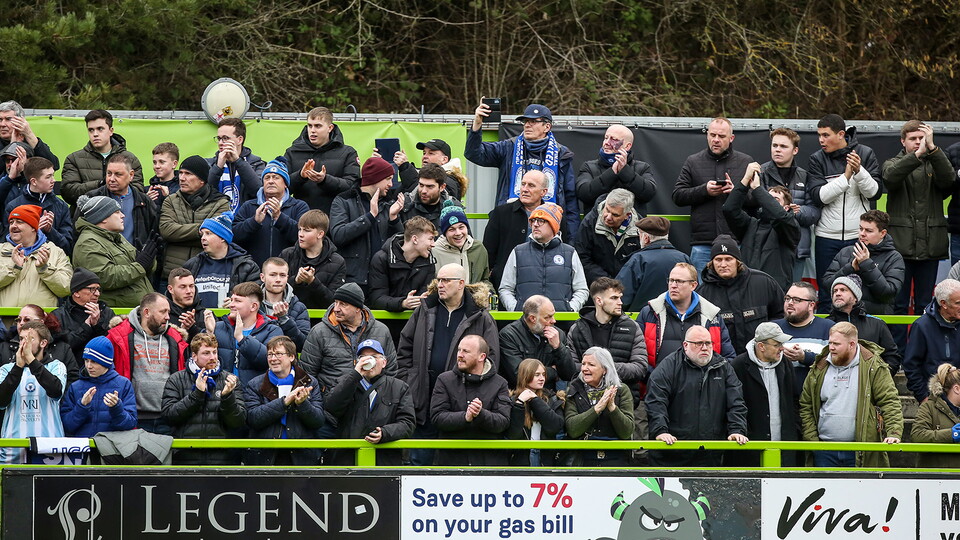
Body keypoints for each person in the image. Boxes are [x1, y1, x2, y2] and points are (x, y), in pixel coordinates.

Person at [396, 264, 498, 465]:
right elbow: (404, 348)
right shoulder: (424, 310)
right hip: (422, 398)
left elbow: (491, 359)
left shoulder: (481, 317)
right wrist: (410, 381)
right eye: (438, 280)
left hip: (459, 404)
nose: (439, 285)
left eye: (445, 280)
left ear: (461, 284)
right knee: (419, 464)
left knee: (453, 467)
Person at [465, 101, 579, 238]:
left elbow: (570, 199)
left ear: (547, 126)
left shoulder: (561, 153)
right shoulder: (509, 147)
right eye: (525, 121)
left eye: (533, 121)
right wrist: (477, 123)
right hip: (512, 221)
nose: (527, 125)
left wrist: (572, 240)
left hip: (548, 223)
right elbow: (474, 153)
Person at [799, 322, 903, 467]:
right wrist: (813, 442)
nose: (831, 348)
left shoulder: (873, 366)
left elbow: (889, 401)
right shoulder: (819, 367)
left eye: (836, 344)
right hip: (824, 450)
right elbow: (806, 405)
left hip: (861, 449)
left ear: (852, 344)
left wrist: (894, 433)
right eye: (830, 343)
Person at [807, 114, 882, 309]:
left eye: (826, 135)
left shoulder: (865, 153)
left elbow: (874, 192)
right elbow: (820, 196)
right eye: (819, 135)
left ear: (841, 134)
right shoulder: (817, 159)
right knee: (827, 292)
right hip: (826, 237)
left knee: (859, 292)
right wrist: (846, 176)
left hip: (858, 236)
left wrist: (860, 171)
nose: (821, 140)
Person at [645, 325, 748, 467]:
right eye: (699, 344)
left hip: (711, 454)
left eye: (708, 343)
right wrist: (660, 431)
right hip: (672, 454)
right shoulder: (667, 367)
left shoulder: (724, 367)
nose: (705, 348)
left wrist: (737, 430)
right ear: (685, 345)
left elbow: (736, 403)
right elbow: (656, 402)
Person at [882, 121, 953, 323]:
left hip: (930, 246)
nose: (918, 142)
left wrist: (933, 150)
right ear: (902, 141)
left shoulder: (937, 163)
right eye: (913, 139)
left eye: (922, 138)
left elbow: (948, 180)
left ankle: (924, 352)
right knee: (898, 304)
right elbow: (890, 178)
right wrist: (916, 156)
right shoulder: (891, 163)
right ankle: (897, 353)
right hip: (899, 247)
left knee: (926, 305)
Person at [671, 117, 753, 274]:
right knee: (702, 292)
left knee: (736, 292)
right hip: (703, 242)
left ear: (731, 138)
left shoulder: (745, 161)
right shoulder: (693, 161)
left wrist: (736, 192)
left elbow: (756, 198)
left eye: (721, 136)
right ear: (707, 135)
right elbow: (678, 196)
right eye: (712, 135)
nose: (716, 140)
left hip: (736, 241)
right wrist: (704, 191)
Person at [324, 338, 416, 466]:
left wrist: (385, 433)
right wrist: (355, 375)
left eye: (374, 357)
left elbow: (407, 423)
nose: (368, 361)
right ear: (356, 361)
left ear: (384, 362)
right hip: (348, 459)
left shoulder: (399, 387)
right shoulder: (345, 382)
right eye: (363, 357)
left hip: (384, 459)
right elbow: (331, 407)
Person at [106, 292, 189, 435]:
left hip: (167, 419)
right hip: (132, 417)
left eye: (168, 312)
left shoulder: (175, 339)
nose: (168, 317)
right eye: (163, 312)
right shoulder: (118, 335)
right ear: (146, 312)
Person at [161, 333, 245, 465]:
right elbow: (169, 416)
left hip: (222, 457)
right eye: (206, 353)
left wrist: (227, 397)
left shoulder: (229, 380)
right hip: (185, 456)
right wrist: (197, 395)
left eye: (214, 352)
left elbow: (238, 421)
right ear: (194, 355)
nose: (212, 357)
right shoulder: (176, 379)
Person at [300, 282, 398, 395]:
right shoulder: (319, 332)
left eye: (343, 304)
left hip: (371, 401)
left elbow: (391, 371)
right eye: (335, 302)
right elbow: (307, 375)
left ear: (358, 308)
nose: (336, 309)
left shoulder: (381, 330)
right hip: (331, 402)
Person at [430, 334, 511, 466]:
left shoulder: (500, 383)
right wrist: (465, 417)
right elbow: (437, 417)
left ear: (482, 357)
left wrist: (481, 414)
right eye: (459, 350)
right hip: (451, 462)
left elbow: (503, 422)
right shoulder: (444, 380)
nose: (459, 355)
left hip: (489, 464)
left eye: (466, 351)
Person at [244, 335, 325, 465]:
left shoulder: (309, 382)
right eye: (270, 355)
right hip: (265, 454)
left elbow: (318, 421)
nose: (273, 359)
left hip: (301, 455)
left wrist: (302, 404)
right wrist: (284, 403)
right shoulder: (255, 384)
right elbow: (253, 419)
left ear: (292, 357)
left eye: (278, 354)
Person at [637, 262, 736, 370]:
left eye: (679, 281)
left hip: (701, 385)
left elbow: (728, 358)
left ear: (693, 285)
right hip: (658, 384)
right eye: (671, 280)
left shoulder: (712, 316)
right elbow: (637, 356)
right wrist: (654, 378)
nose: (673, 285)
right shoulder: (649, 313)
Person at [697, 235, 785, 353]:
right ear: (711, 263)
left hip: (761, 359)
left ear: (737, 261)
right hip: (723, 363)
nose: (723, 264)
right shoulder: (702, 294)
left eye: (728, 259)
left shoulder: (764, 283)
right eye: (718, 259)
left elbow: (781, 316)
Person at [722, 161, 800, 291]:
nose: (767, 201)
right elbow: (729, 210)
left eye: (774, 200)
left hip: (773, 293)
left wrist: (758, 189)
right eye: (767, 198)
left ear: (786, 208)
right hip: (745, 290)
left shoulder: (790, 227)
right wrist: (745, 180)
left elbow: (780, 217)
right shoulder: (750, 224)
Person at [483, 170, 569, 288]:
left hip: (547, 283)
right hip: (507, 284)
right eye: (523, 184)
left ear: (544, 192)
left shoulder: (557, 218)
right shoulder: (501, 213)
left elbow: (564, 249)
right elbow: (488, 251)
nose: (524, 189)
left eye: (531, 185)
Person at [729, 322, 799, 466]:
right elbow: (732, 405)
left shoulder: (786, 364)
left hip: (784, 448)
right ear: (761, 346)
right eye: (776, 344)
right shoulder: (738, 366)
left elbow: (794, 401)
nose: (781, 348)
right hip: (749, 450)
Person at [329, 156, 403, 290]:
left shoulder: (389, 204)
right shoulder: (343, 200)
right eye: (388, 179)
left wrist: (394, 219)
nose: (391, 184)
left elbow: (400, 245)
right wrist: (370, 217)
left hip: (382, 281)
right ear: (375, 178)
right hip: (353, 280)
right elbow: (338, 235)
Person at [567, 278, 648, 400]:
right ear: (599, 300)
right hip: (584, 402)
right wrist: (597, 369)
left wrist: (604, 368)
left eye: (620, 297)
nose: (620, 302)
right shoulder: (577, 329)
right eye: (614, 298)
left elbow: (640, 367)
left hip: (622, 401)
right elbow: (570, 368)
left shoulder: (632, 327)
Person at [499, 202, 589, 312]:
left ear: (553, 225)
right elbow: (505, 288)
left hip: (561, 323)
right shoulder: (518, 251)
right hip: (526, 324)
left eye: (541, 221)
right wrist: (515, 309)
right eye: (533, 220)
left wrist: (570, 309)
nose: (535, 224)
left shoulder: (570, 253)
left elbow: (581, 289)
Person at [0, 321, 67, 463]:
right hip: (13, 450)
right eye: (22, 339)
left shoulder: (57, 366)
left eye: (30, 339)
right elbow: (1, 400)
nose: (24, 344)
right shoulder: (7, 369)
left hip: (49, 449)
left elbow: (55, 391)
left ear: (43, 343)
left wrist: (31, 360)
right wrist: (18, 367)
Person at [73, 195, 156, 307]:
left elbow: (140, 266)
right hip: (116, 314)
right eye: (117, 212)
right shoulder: (88, 243)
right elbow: (104, 277)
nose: (123, 216)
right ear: (103, 217)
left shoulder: (116, 237)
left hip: (137, 309)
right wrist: (140, 266)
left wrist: (149, 261)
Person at [759, 127, 819, 281]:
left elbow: (814, 212)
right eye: (775, 145)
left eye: (783, 146)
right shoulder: (760, 173)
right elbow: (755, 210)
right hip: (766, 247)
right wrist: (780, 212)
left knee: (793, 297)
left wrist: (796, 212)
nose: (777, 150)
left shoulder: (805, 176)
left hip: (796, 248)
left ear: (795, 150)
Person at [159, 154, 231, 278]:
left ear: (202, 179)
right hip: (172, 275)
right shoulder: (171, 200)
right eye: (180, 173)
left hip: (206, 274)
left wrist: (180, 236)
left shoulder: (220, 203)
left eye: (188, 174)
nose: (181, 178)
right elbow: (166, 231)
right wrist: (203, 228)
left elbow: (217, 236)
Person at [822, 210, 904, 315]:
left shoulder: (894, 257)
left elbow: (887, 294)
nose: (862, 234)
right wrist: (850, 268)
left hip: (875, 319)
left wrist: (866, 265)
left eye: (868, 231)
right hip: (843, 317)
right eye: (861, 229)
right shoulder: (846, 252)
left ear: (882, 233)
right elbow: (827, 286)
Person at [564, 347, 634, 467]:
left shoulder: (621, 390)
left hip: (616, 459)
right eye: (583, 364)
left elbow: (627, 432)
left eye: (591, 364)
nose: (585, 368)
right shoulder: (574, 388)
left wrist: (612, 407)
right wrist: (597, 408)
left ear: (605, 369)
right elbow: (572, 429)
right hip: (582, 460)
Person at [232, 158, 309, 266]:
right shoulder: (249, 206)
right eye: (267, 178)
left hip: (288, 270)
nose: (271, 181)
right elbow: (234, 236)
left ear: (285, 184)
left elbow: (304, 237)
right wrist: (254, 222)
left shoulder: (299, 206)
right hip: (254, 271)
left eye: (276, 177)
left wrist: (279, 217)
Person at [204, 281, 283, 386]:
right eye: (231, 300)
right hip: (222, 393)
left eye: (237, 301)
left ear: (253, 306)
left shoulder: (272, 330)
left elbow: (267, 360)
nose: (231, 305)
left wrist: (241, 338)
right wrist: (209, 333)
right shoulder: (218, 327)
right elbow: (199, 358)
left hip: (255, 395)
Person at [61, 109, 143, 209]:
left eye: (100, 129)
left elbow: (138, 192)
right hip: (86, 220)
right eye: (91, 130)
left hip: (122, 217)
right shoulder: (73, 159)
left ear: (111, 131)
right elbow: (69, 193)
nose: (95, 134)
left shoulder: (130, 159)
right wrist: (101, 184)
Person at [284, 106, 360, 214]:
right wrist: (300, 176)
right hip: (301, 219)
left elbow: (353, 188)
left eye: (318, 126)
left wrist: (325, 180)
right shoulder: (292, 152)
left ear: (330, 128)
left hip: (336, 219)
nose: (312, 130)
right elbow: (282, 188)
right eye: (310, 126)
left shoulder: (348, 153)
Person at [60, 336, 137, 438]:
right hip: (82, 449)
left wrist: (116, 408)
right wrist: (82, 406)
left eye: (94, 362)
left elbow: (130, 424)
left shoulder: (123, 385)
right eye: (86, 360)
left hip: (110, 449)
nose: (88, 366)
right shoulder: (76, 387)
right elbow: (67, 426)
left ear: (105, 362)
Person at [826, 275, 900, 376]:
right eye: (835, 291)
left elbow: (892, 357)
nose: (838, 294)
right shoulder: (825, 325)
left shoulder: (877, 324)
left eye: (843, 290)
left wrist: (878, 380)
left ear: (856, 296)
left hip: (869, 387)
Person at [183, 211, 259, 309]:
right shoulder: (192, 265)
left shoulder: (246, 266)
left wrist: (236, 303)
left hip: (232, 322)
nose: (203, 238)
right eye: (202, 234)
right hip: (197, 322)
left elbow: (254, 300)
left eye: (208, 233)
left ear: (223, 237)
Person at [0, 204, 72, 307]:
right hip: (4, 321)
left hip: (40, 321)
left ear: (33, 227)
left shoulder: (55, 252)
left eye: (19, 222)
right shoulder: (1, 250)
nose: (13, 226)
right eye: (11, 222)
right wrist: (13, 268)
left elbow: (66, 289)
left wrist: (45, 269)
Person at [499, 295, 576, 391]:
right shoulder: (509, 335)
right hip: (519, 396)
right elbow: (519, 376)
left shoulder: (557, 334)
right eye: (548, 317)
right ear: (532, 318)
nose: (554, 321)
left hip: (549, 397)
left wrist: (558, 347)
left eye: (553, 315)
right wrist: (553, 372)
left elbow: (570, 374)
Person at [83, 153, 158, 251]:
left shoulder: (144, 202)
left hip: (138, 262)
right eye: (109, 173)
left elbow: (154, 238)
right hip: (102, 261)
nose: (111, 179)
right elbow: (79, 234)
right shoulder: (93, 199)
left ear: (131, 175)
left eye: (118, 174)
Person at [576, 124, 657, 214]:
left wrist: (625, 171)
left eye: (614, 139)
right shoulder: (589, 167)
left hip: (633, 226)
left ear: (627, 146)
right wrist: (612, 172)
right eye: (606, 138)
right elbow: (584, 194)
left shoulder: (642, 167)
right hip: (595, 226)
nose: (607, 142)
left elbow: (649, 194)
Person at [772, 281, 835, 396]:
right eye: (787, 298)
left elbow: (836, 362)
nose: (790, 303)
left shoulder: (828, 328)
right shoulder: (773, 328)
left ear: (811, 305)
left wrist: (804, 357)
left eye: (797, 300)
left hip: (816, 400)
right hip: (781, 399)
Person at [902, 279, 960, 403]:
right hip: (933, 400)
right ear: (943, 304)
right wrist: (923, 397)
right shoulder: (922, 326)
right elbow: (911, 366)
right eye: (958, 303)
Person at [617, 216, 691, 312]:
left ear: (646, 238)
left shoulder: (638, 260)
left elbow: (621, 295)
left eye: (639, 234)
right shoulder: (684, 258)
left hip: (643, 321)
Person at [2, 156, 74, 255]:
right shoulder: (13, 206)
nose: (53, 180)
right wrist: (33, 229)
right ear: (34, 182)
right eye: (48, 177)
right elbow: (6, 245)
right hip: (22, 264)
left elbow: (68, 248)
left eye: (53, 175)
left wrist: (50, 231)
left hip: (52, 265)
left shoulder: (62, 206)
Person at [279, 209, 346, 309]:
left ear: (320, 234)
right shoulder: (287, 254)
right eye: (299, 229)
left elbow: (334, 303)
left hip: (322, 322)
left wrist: (313, 282)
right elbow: (274, 290)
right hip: (289, 317)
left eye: (306, 230)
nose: (300, 234)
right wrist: (295, 281)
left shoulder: (338, 262)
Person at [574, 189, 643, 285]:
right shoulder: (589, 222)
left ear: (627, 215)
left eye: (615, 215)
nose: (608, 217)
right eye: (607, 210)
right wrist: (608, 283)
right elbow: (582, 258)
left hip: (629, 287)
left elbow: (642, 262)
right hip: (598, 286)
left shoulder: (641, 228)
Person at [368, 216, 437, 311]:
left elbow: (427, 297)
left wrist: (421, 301)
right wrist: (403, 303)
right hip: (386, 322)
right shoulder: (381, 259)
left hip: (417, 321)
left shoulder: (429, 261)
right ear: (415, 239)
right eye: (430, 239)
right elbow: (377, 299)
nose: (433, 244)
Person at [0, 305, 80, 386]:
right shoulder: (4, 348)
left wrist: (61, 398)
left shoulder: (62, 348)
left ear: (41, 322)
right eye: (19, 320)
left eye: (27, 320)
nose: (21, 323)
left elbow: (72, 380)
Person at [506, 358, 565, 466]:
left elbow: (555, 426)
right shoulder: (511, 401)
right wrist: (519, 404)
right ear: (525, 376)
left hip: (546, 458)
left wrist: (535, 400)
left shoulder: (553, 398)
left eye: (543, 374)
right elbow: (513, 435)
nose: (542, 378)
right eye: (537, 375)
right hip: (522, 459)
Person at [52, 268, 117, 361]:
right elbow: (61, 348)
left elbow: (113, 345)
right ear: (76, 292)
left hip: (102, 371)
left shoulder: (107, 312)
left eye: (98, 289)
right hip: (71, 371)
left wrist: (97, 325)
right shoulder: (58, 316)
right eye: (92, 289)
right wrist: (86, 327)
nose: (97, 294)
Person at [206, 117, 266, 212]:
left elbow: (258, 191)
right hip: (216, 221)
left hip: (246, 221)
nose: (221, 143)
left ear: (240, 140)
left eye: (225, 138)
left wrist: (238, 161)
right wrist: (218, 167)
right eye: (219, 138)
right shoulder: (210, 163)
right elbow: (205, 194)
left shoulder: (257, 163)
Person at [911, 363, 960, 468]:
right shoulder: (928, 407)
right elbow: (917, 435)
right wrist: (951, 435)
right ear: (957, 389)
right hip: (934, 478)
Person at [388, 137, 467, 199]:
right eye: (424, 153)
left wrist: (405, 167)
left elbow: (427, 199)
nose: (425, 156)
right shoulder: (416, 174)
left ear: (444, 159)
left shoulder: (450, 181)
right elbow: (393, 197)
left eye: (431, 153)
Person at [259, 257, 310, 351]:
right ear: (262, 277)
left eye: (282, 275)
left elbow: (303, 345)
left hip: (286, 363)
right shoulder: (253, 304)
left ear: (287, 277)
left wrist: (285, 320)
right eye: (273, 275)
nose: (278, 279)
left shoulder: (299, 307)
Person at [431, 203, 490, 285]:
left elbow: (485, 280)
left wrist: (491, 295)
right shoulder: (435, 251)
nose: (458, 233)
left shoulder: (478, 248)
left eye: (461, 227)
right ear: (445, 233)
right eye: (452, 229)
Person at [399, 163, 462, 228]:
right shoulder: (404, 204)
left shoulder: (454, 207)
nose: (423, 191)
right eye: (421, 185)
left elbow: (465, 236)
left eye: (430, 186)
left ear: (442, 187)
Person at [0, 100, 59, 169]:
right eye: (0, 119)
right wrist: (12, 146)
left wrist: (29, 134)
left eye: (8, 119)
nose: (2, 124)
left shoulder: (30, 142)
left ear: (21, 121)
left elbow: (53, 166)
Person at [165, 267, 208, 340]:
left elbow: (212, 345)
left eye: (191, 286)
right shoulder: (164, 315)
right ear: (170, 289)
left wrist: (192, 328)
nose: (189, 291)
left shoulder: (205, 315)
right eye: (183, 287)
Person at [148, 142, 180, 208]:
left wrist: (169, 198)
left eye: (162, 162)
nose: (157, 166)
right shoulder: (148, 190)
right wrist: (145, 201)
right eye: (154, 162)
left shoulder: (182, 189)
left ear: (174, 164)